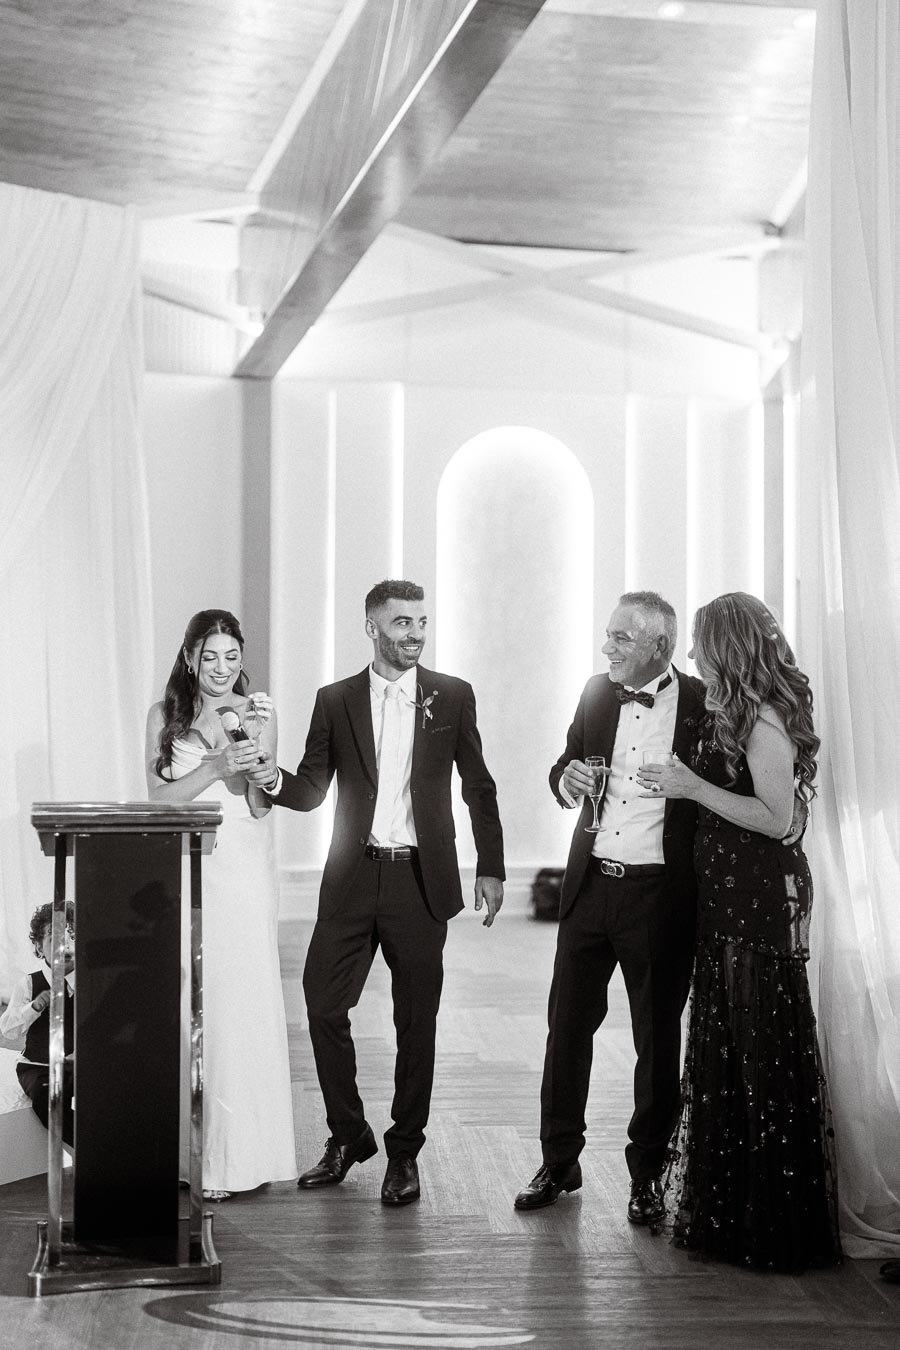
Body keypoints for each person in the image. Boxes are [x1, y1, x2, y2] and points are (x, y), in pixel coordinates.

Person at [246, 579, 505, 1207]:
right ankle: (348, 1134)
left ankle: (404, 1152)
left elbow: (478, 784)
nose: (415, 634)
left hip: (421, 881)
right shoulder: (335, 700)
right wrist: (270, 777)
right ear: (372, 627)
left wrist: (491, 866)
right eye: (401, 623)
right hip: (353, 878)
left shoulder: (452, 695)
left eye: (421, 621)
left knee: (416, 1023)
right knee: (321, 1004)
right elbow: (312, 788)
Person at [636, 592, 841, 1271]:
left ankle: (772, 1225)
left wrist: (692, 787)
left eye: (700, 641)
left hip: (758, 901)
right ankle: (731, 1215)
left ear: (727, 646)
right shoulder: (728, 711)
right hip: (724, 899)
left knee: (759, 1057)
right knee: (727, 1050)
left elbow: (778, 818)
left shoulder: (767, 717)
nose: (693, 653)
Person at [514, 591, 705, 1226]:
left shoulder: (703, 704)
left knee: (656, 1039)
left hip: (660, 896)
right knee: (566, 1029)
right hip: (590, 887)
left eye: (621, 638)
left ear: (660, 645)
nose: (607, 648)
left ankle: (648, 1174)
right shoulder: (597, 693)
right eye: (609, 635)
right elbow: (564, 764)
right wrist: (564, 780)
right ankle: (557, 1161)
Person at [145, 609, 297, 1200]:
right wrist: (213, 767)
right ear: (189, 658)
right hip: (188, 864)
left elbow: (260, 806)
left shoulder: (256, 712)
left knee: (240, 999)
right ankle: (189, 1154)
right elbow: (158, 801)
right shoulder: (165, 717)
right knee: (191, 995)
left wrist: (258, 758)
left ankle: (240, 1157)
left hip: (244, 867)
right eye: (210, 657)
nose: (221, 668)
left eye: (231, 657)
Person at [0, 902, 76, 1146]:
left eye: (71, 936)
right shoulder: (29, 984)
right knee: (48, 1099)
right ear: (39, 947)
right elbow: (8, 1031)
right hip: (38, 1067)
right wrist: (33, 1007)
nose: (65, 945)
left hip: (77, 1067)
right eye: (55, 938)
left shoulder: (90, 982)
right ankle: (93, 1150)